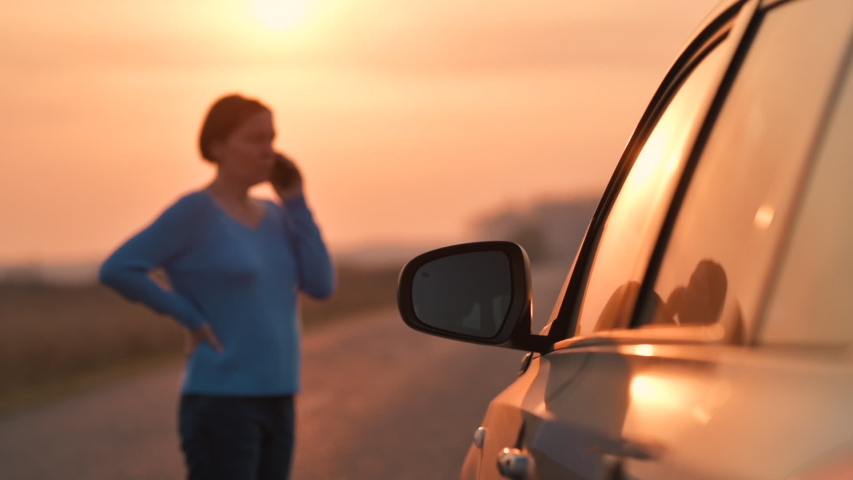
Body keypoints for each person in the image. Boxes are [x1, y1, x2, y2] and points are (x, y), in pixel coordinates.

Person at [99, 93, 335, 480]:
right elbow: (118, 268)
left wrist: (296, 200)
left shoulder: (277, 215)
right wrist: (189, 317)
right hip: (221, 402)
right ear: (217, 146)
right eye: (255, 139)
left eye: (272, 139)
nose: (269, 151)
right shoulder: (194, 212)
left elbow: (321, 284)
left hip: (280, 395)